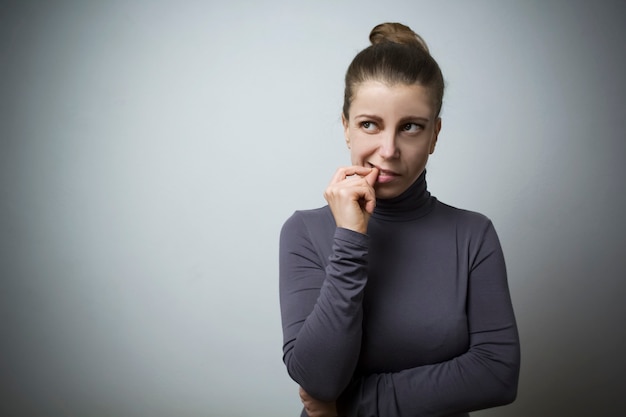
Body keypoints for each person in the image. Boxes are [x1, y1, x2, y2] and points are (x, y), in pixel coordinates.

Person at [279, 22, 520, 417]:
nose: (388, 150)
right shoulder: (304, 232)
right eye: (369, 124)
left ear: (434, 135)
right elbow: (318, 379)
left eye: (410, 127)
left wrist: (353, 406)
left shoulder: (473, 235)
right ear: (346, 128)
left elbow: (497, 373)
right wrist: (350, 239)